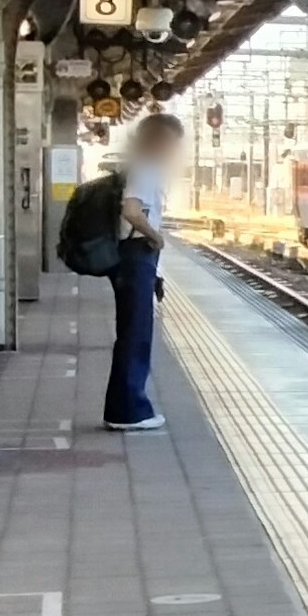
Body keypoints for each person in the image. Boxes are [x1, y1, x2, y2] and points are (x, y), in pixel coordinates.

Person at [103, 112, 184, 432]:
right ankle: (129, 411)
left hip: (136, 255)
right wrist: (154, 236)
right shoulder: (144, 169)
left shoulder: (141, 167)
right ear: (159, 140)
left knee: (133, 333)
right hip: (137, 254)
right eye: (172, 143)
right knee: (136, 334)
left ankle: (125, 406)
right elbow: (131, 210)